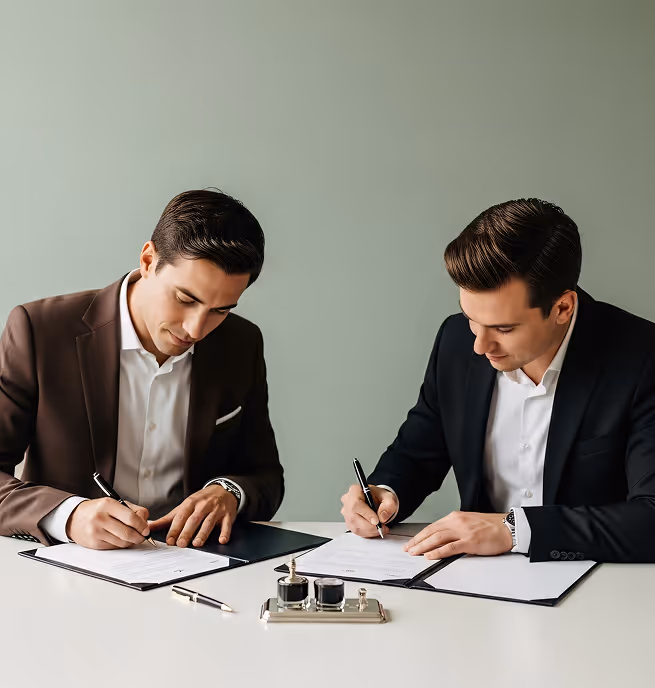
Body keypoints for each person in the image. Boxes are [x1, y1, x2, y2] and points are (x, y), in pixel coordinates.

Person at [341, 198, 655, 563]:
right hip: (476, 584)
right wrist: (383, 493)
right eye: (470, 317)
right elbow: (419, 449)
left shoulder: (643, 359)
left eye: (503, 328)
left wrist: (513, 530)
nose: (479, 345)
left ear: (562, 308)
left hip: (599, 588)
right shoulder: (456, 340)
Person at [0, 189, 283, 550]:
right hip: (69, 569)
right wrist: (69, 515)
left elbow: (265, 476)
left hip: (196, 568)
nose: (196, 330)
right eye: (186, 299)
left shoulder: (242, 343)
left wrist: (227, 492)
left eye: (221, 310)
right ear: (148, 260)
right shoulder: (39, 330)